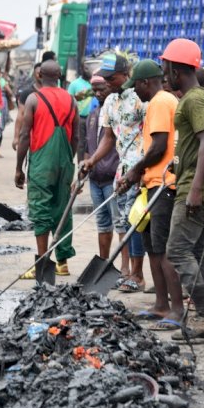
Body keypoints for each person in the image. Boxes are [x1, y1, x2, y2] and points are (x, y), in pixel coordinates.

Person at [161, 38, 204, 341]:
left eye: (165, 68)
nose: (164, 74)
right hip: (197, 179)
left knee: (176, 249)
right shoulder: (198, 99)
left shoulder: (194, 100)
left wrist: (196, 187)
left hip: (198, 185)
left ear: (176, 70)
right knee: (197, 253)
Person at [117, 60, 185, 327]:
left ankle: (177, 310)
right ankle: (160, 304)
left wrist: (134, 171)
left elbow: (158, 147)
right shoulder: (163, 100)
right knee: (153, 248)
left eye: (135, 86)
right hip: (153, 183)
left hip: (165, 185)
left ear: (146, 82)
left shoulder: (159, 102)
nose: (134, 91)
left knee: (164, 250)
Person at [82, 54, 147, 292]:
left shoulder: (141, 99)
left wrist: (143, 170)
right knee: (123, 223)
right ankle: (125, 271)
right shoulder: (110, 102)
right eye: (105, 77)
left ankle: (136, 274)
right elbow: (108, 138)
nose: (107, 82)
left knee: (134, 223)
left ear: (125, 75)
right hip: (122, 172)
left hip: (140, 170)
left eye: (111, 78)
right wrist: (92, 160)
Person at [15, 60, 78, 279]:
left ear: (39, 75)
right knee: (63, 209)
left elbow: (24, 135)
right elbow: (77, 136)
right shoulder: (71, 99)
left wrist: (18, 168)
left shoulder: (34, 98)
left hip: (42, 162)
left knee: (41, 210)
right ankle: (62, 262)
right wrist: (69, 160)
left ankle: (43, 264)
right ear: (60, 76)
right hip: (65, 161)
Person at [83, 76, 125, 272]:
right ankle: (104, 266)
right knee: (103, 223)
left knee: (121, 224)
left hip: (113, 177)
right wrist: (82, 170)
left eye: (101, 89)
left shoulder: (118, 114)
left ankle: (125, 269)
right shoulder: (92, 115)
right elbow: (86, 146)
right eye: (94, 90)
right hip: (95, 179)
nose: (98, 93)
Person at [13, 63, 42, 151]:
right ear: (34, 74)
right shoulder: (27, 93)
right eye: (38, 73)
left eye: (43, 73)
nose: (41, 75)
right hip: (31, 136)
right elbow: (20, 115)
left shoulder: (53, 94)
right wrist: (16, 137)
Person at [68, 63, 93, 162]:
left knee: (92, 143)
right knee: (81, 144)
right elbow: (69, 101)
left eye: (90, 68)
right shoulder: (74, 84)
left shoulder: (95, 83)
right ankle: (81, 169)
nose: (89, 70)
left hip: (94, 119)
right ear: (81, 69)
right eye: (86, 68)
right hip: (80, 118)